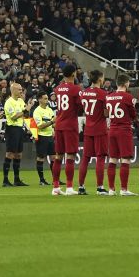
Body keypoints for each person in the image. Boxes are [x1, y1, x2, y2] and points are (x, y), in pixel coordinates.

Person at [52, 65, 83, 196]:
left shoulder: (58, 89)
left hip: (59, 124)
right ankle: (69, 187)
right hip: (70, 125)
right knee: (70, 156)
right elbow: (81, 107)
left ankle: (55, 187)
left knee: (58, 156)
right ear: (73, 74)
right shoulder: (76, 89)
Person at [77, 70, 109, 195]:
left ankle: (81, 187)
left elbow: (82, 109)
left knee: (85, 158)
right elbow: (106, 113)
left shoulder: (84, 93)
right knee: (100, 157)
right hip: (100, 128)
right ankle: (100, 187)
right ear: (100, 80)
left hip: (88, 128)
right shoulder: (102, 93)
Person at [104, 74, 137, 196]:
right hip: (124, 130)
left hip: (112, 129)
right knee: (125, 159)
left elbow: (106, 113)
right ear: (125, 83)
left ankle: (111, 189)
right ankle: (124, 189)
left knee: (112, 159)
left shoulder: (109, 97)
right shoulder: (127, 97)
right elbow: (133, 115)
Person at [1, 83, 29, 187]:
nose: (21, 91)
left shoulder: (21, 101)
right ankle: (5, 180)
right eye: (19, 89)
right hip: (12, 128)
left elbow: (24, 114)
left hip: (20, 128)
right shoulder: (9, 102)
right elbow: (13, 117)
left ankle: (17, 179)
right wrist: (25, 110)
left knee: (19, 154)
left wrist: (27, 110)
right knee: (10, 154)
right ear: (13, 90)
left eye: (21, 89)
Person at [32, 93, 56, 186]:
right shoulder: (37, 111)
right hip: (41, 136)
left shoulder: (49, 110)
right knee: (41, 158)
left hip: (50, 136)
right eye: (45, 99)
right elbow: (40, 126)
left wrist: (55, 126)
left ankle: (55, 179)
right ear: (40, 100)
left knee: (53, 157)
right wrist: (51, 122)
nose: (47, 100)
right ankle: (41, 180)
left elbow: (53, 123)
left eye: (47, 98)